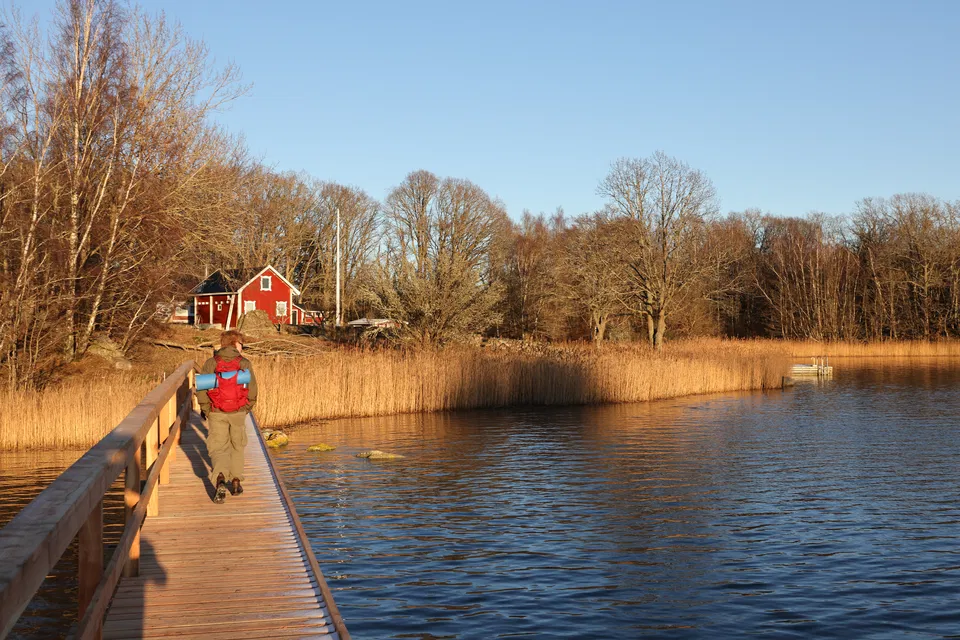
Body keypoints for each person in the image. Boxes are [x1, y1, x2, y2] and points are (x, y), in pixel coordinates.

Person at [197, 330, 258, 504]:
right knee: (237, 445)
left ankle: (220, 478)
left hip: (217, 412)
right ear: (236, 344)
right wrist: (247, 407)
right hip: (238, 411)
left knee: (218, 447)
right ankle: (236, 481)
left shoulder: (211, 363)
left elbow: (201, 390)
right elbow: (252, 389)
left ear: (222, 344)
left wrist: (207, 409)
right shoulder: (244, 363)